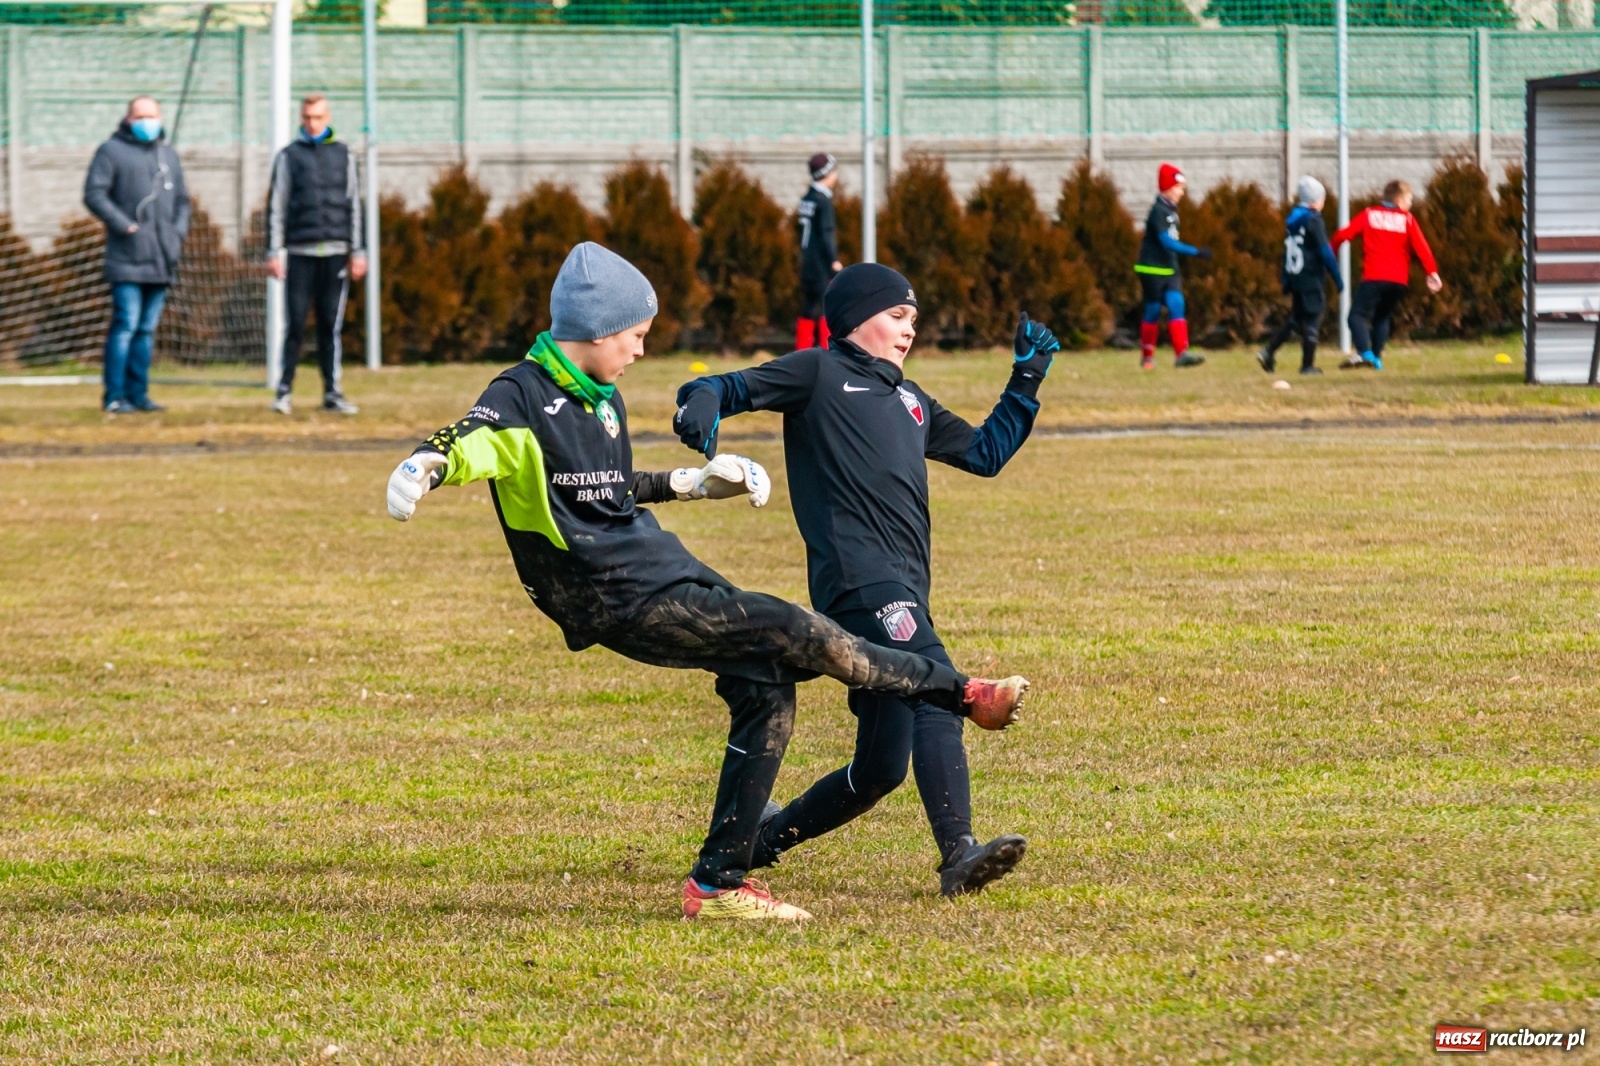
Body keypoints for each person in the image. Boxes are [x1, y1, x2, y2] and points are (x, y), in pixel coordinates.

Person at [386, 243, 1029, 922]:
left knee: (771, 682)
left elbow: (607, 491)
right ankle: (959, 694)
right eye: (636, 336)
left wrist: (691, 483)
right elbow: (479, 440)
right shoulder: (523, 395)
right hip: (615, 589)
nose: (640, 351)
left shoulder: (601, 403)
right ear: (601, 328)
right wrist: (428, 463)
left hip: (654, 565)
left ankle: (723, 877)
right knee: (794, 630)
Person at [672, 263, 1056, 898]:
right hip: (858, 584)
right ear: (856, 319)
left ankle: (757, 842)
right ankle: (958, 852)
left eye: (914, 319)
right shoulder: (818, 371)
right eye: (896, 315)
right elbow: (718, 385)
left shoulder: (910, 400)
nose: (909, 330)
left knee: (880, 768)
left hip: (905, 586)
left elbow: (986, 454)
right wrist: (702, 413)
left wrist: (1027, 377)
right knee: (934, 686)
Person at [83, 95, 190, 414]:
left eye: (152, 116)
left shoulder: (167, 154)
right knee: (126, 324)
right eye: (141, 116)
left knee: (146, 330)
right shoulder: (111, 151)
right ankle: (114, 396)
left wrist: (176, 233)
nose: (148, 122)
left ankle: (139, 394)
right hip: (127, 258)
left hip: (161, 258)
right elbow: (94, 194)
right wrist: (125, 225)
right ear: (129, 119)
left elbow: (183, 200)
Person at [267, 93, 366, 415]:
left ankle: (332, 392)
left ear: (328, 118)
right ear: (301, 118)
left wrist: (358, 251)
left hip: (336, 254)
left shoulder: (344, 156)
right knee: (295, 324)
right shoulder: (289, 156)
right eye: (307, 117)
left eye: (318, 117)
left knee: (329, 326)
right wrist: (274, 251)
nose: (312, 123)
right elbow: (277, 206)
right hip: (299, 253)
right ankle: (284, 391)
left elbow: (354, 205)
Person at [1330, 179, 1443, 371]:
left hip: (1374, 276)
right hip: (1399, 281)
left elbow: (1342, 235)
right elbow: (1421, 247)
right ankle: (1376, 358)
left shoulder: (1370, 214)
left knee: (1356, 315)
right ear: (1399, 200)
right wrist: (1431, 272)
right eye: (1409, 199)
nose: (1410, 203)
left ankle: (1365, 353)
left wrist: (1331, 254)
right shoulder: (1407, 220)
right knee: (1382, 317)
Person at [1258, 176, 1342, 376]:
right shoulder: (1314, 220)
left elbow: (1287, 251)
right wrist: (1336, 277)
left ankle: (1269, 351)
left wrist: (1286, 279)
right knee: (1312, 318)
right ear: (1316, 201)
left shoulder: (1293, 219)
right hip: (1310, 276)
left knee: (1297, 318)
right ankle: (1307, 365)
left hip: (1295, 275)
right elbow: (1325, 251)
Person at [1135, 162, 1211, 371]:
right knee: (1153, 310)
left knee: (1177, 304)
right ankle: (1147, 356)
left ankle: (1181, 354)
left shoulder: (1172, 210)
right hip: (1152, 269)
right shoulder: (1158, 211)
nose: (1181, 193)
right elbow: (1166, 242)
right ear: (1167, 188)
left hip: (1170, 268)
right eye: (1179, 188)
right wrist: (1196, 252)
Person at [795, 152, 843, 351]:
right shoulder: (823, 201)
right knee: (826, 307)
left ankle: (801, 351)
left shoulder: (808, 198)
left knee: (808, 307)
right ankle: (828, 352)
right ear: (827, 174)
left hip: (807, 261)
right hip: (821, 264)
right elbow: (826, 233)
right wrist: (833, 260)